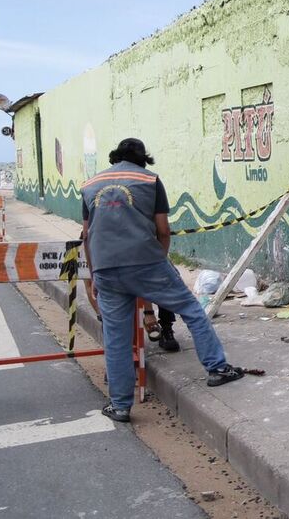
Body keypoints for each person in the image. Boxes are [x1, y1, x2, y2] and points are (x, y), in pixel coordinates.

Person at [82, 138, 243, 423]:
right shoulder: (149, 180)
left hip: (106, 269)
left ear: (115, 157)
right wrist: (161, 260)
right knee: (192, 311)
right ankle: (217, 369)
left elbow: (87, 235)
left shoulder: (90, 185)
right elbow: (163, 230)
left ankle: (120, 406)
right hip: (147, 263)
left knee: (117, 338)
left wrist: (94, 274)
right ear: (143, 158)